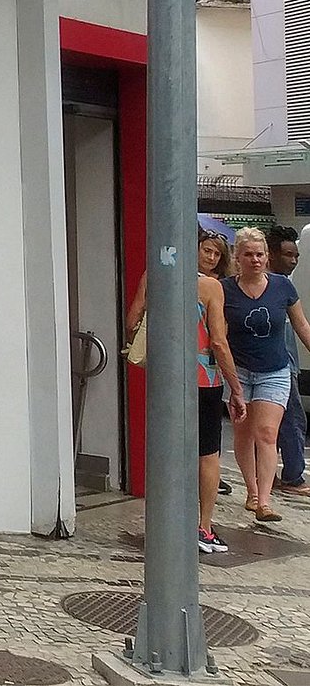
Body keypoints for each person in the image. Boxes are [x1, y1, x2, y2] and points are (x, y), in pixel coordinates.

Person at [126, 228, 244, 549]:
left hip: (165, 378)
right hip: (204, 380)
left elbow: (132, 320)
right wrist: (235, 388)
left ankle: (167, 522)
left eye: (216, 253)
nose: (211, 257)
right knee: (208, 454)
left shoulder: (154, 275)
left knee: (168, 450)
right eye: (207, 250)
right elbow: (218, 342)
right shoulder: (210, 287)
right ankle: (203, 527)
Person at [224, 227, 310, 523]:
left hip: (275, 370)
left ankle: (264, 501)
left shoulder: (282, 287)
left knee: (267, 433)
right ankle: (251, 491)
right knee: (243, 434)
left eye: (260, 254)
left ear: (267, 257)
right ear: (237, 258)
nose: (255, 260)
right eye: (248, 254)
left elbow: (301, 325)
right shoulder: (225, 289)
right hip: (237, 372)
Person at [267, 225, 307, 497]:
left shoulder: (283, 285)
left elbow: (301, 326)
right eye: (288, 255)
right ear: (272, 254)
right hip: (278, 366)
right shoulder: (276, 285)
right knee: (292, 421)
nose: (293, 261)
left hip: (286, 364)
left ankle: (270, 476)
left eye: (296, 256)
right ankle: (293, 477)